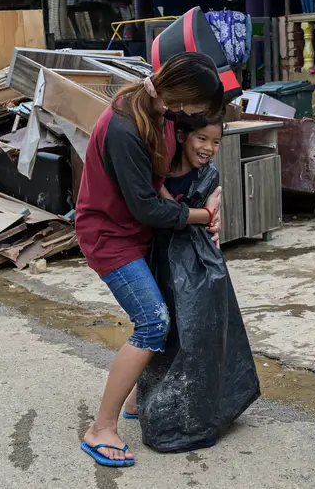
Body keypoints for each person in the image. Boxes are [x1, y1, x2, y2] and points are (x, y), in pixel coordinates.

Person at [74, 52, 225, 468]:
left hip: (140, 232)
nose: (197, 118)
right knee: (153, 320)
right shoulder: (123, 126)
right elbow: (144, 206)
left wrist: (215, 196)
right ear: (180, 95)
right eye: (197, 108)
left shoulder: (164, 112)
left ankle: (140, 400)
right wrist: (200, 216)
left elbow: (187, 155)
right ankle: (101, 427)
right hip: (108, 236)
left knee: (169, 308)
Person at [162, 118, 224, 203]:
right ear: (181, 136)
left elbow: (184, 215)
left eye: (216, 142)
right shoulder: (161, 165)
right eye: (202, 139)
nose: (209, 148)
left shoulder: (208, 176)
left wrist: (160, 188)